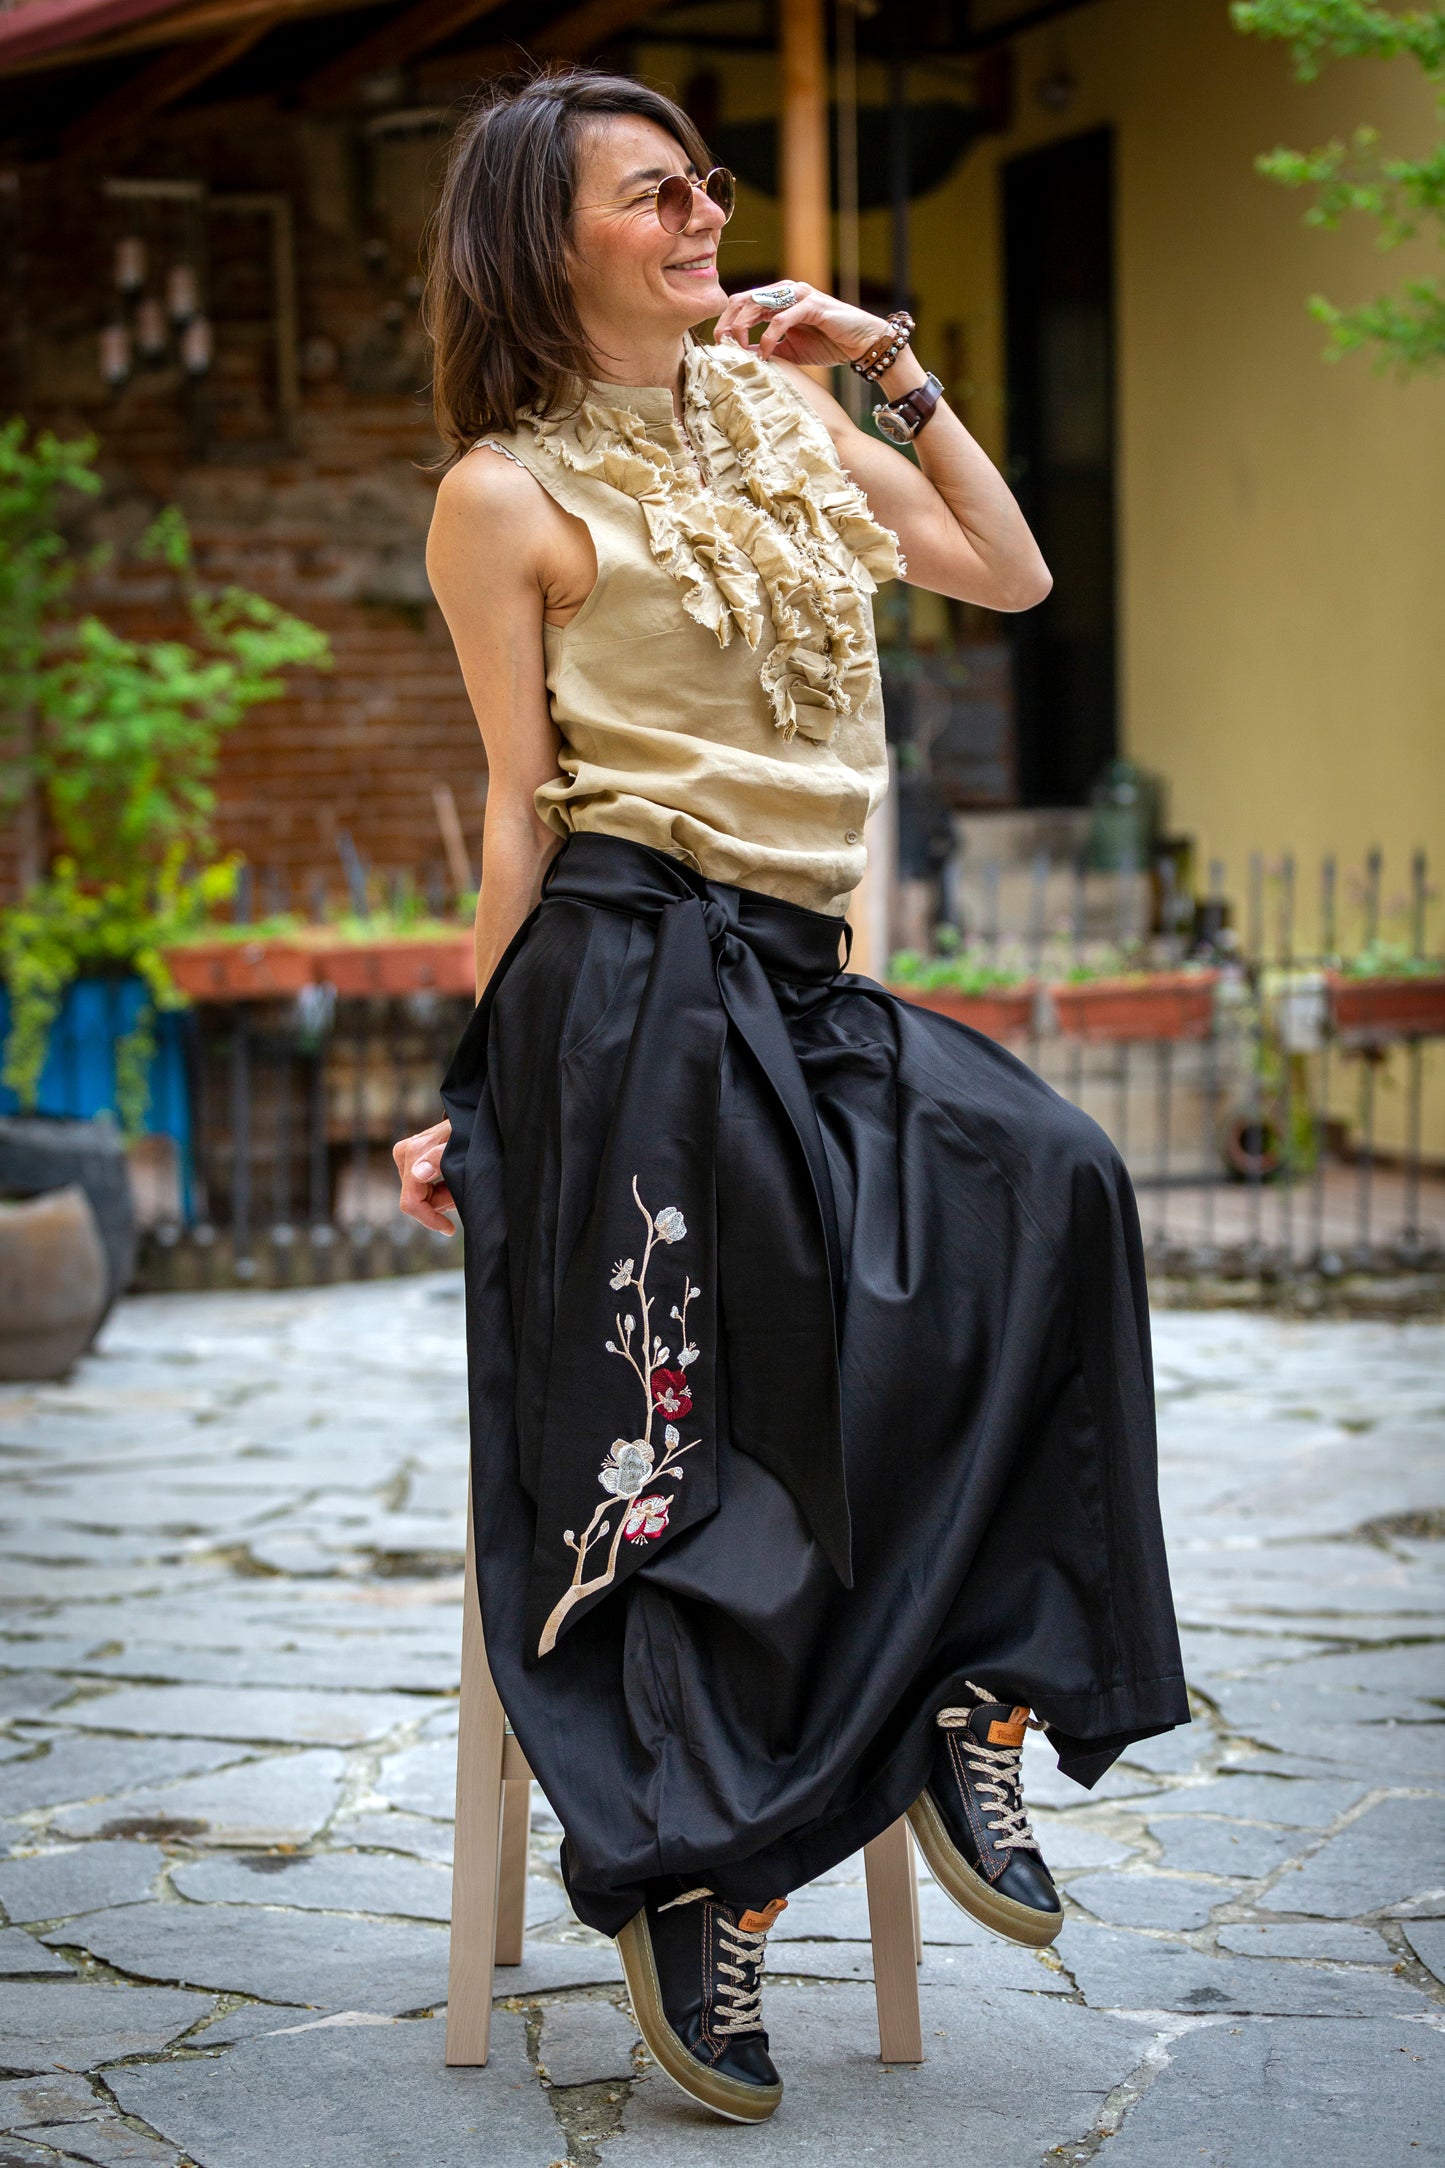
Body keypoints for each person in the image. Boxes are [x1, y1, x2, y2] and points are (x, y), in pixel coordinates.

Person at [394, 67, 1186, 2126]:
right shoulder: (503, 494)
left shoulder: (779, 421)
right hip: (622, 977)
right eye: (652, 197)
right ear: (544, 241)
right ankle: (698, 1872)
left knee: (1057, 1179)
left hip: (801, 975)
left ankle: (962, 1695)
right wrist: (474, 1090)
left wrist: (896, 375)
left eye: (706, 188)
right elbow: (511, 809)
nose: (701, 220)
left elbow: (1004, 574)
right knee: (774, 1324)